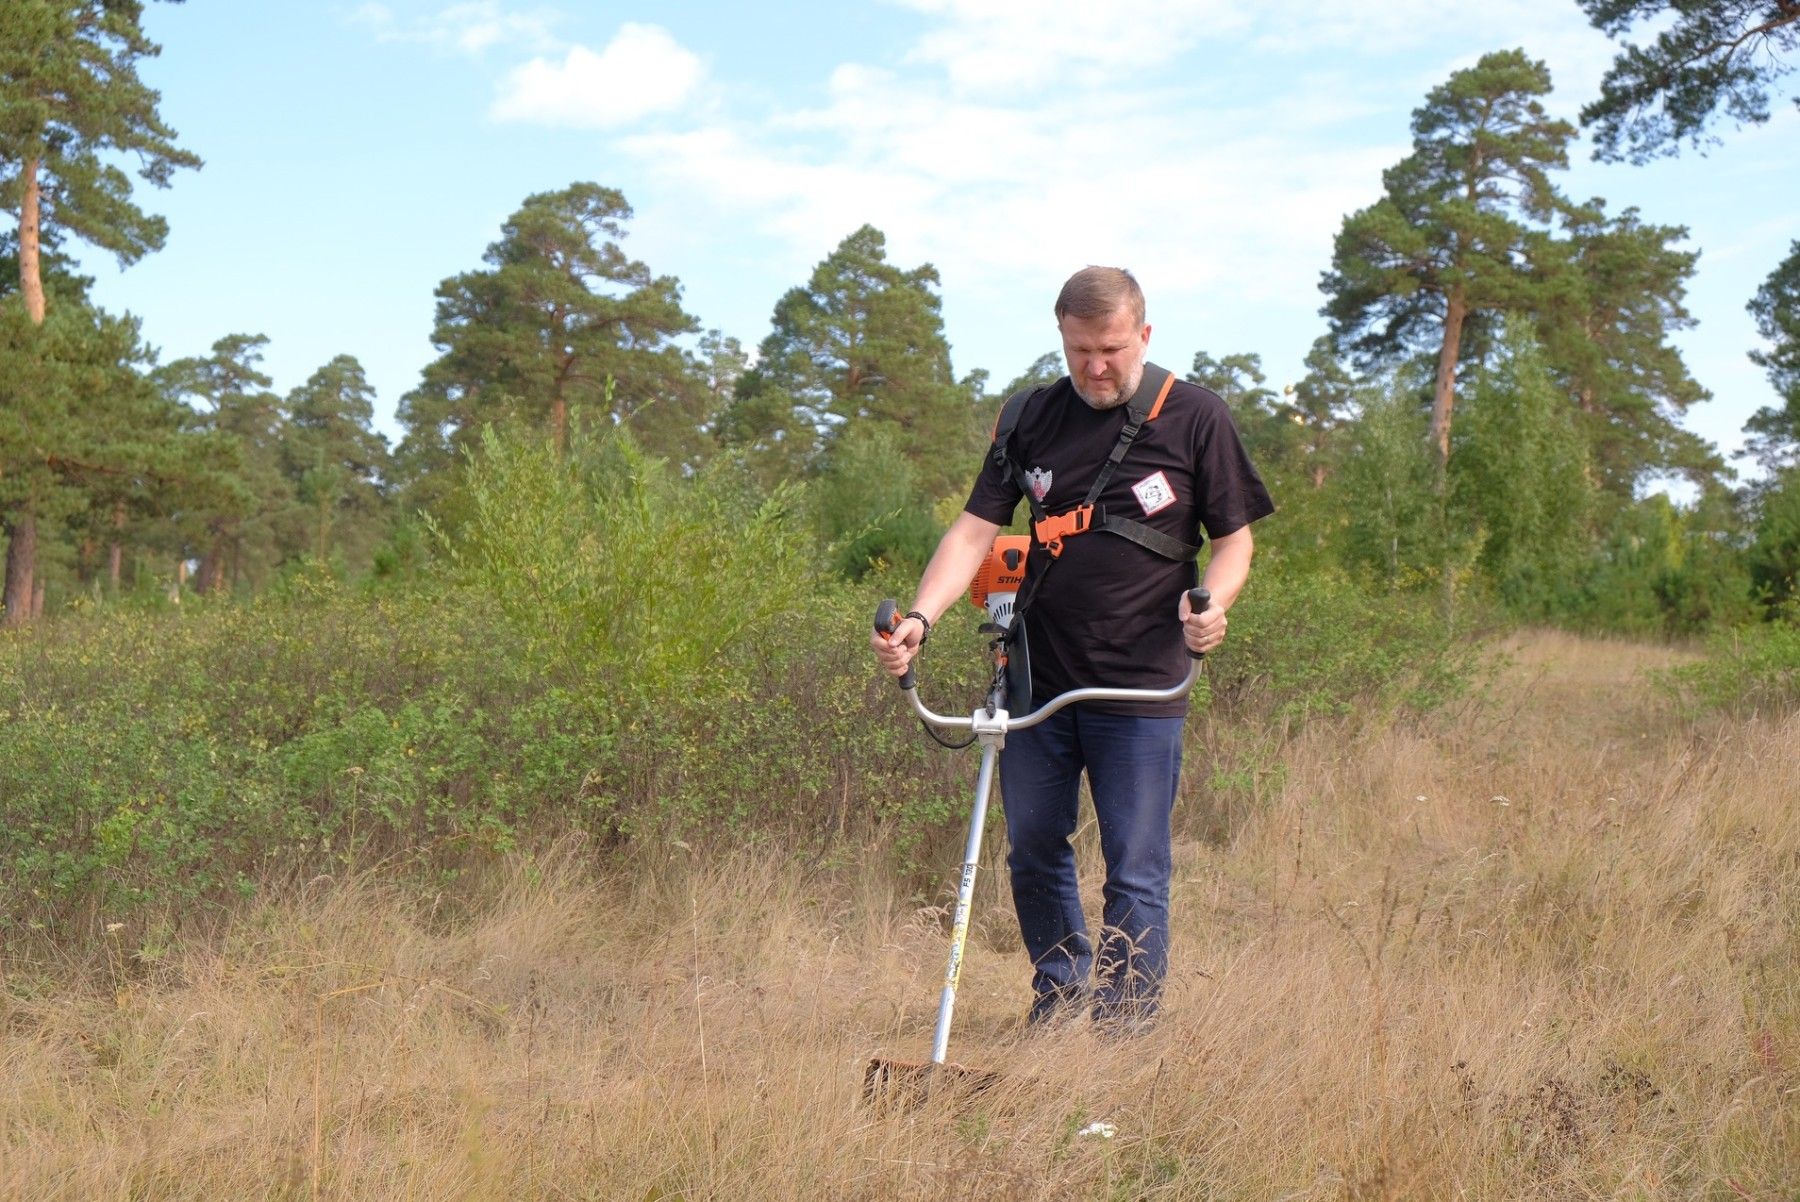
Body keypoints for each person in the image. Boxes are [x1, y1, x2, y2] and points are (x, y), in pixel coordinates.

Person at [870, 266, 1274, 1033]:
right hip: (1035, 683)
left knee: (1135, 869)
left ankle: (1124, 1030)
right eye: (1080, 349)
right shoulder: (1029, 416)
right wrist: (921, 615)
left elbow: (1234, 544)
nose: (1096, 366)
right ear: (1061, 337)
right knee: (1033, 854)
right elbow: (972, 532)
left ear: (1144, 337)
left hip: (1141, 688)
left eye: (1113, 349)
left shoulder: (1196, 417)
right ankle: (1060, 997)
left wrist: (1211, 608)